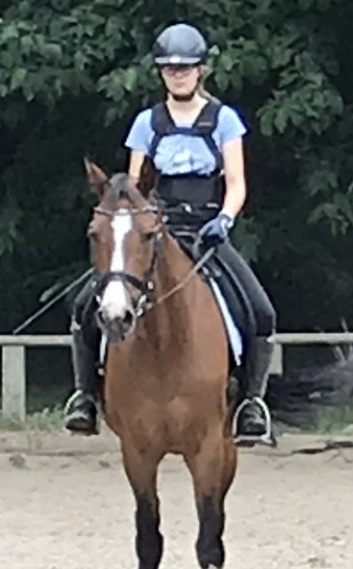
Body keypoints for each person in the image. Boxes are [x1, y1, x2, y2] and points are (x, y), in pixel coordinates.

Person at [64, 22, 279, 445]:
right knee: (85, 305)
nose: (177, 74)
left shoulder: (224, 120)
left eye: (185, 67)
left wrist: (225, 220)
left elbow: (236, 182)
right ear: (161, 73)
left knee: (261, 309)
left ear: (201, 71)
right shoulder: (148, 123)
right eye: (169, 68)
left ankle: (252, 403)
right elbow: (132, 186)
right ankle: (85, 397)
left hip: (205, 231)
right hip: (154, 230)